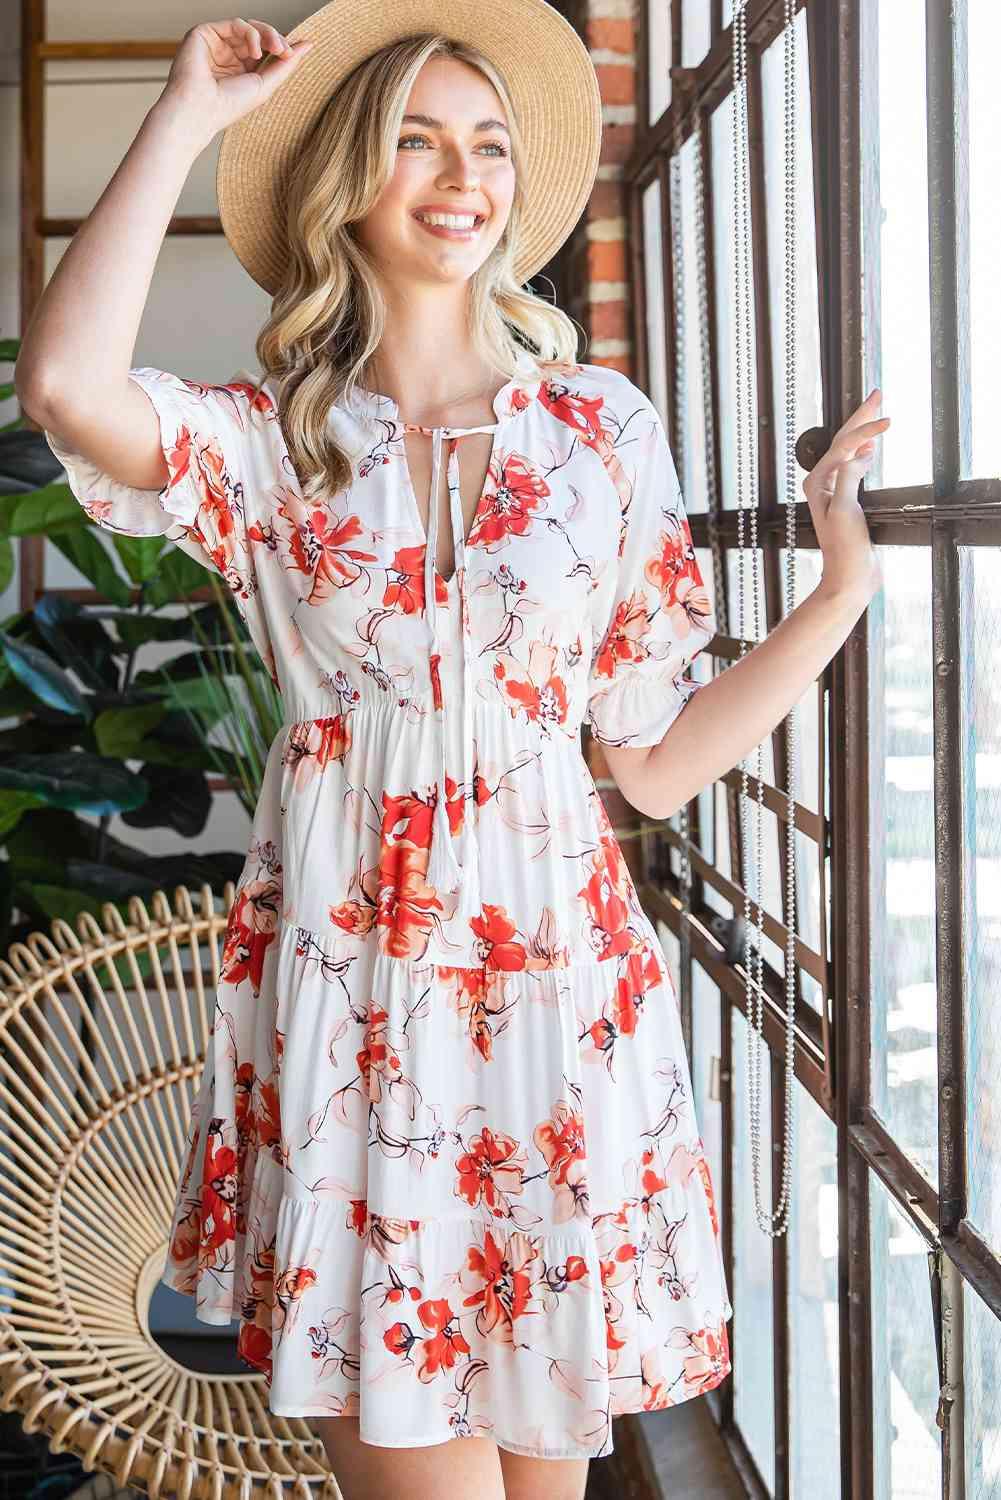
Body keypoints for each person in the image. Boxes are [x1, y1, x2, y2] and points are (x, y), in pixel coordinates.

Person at [14, 6, 887, 1498]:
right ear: (349, 179)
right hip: (358, 1006)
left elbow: (653, 764)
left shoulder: (602, 432)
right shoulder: (277, 439)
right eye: (415, 140)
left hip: (562, 1002)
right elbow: (65, 388)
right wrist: (185, 116)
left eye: (487, 144)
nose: (462, 175)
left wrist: (839, 591)